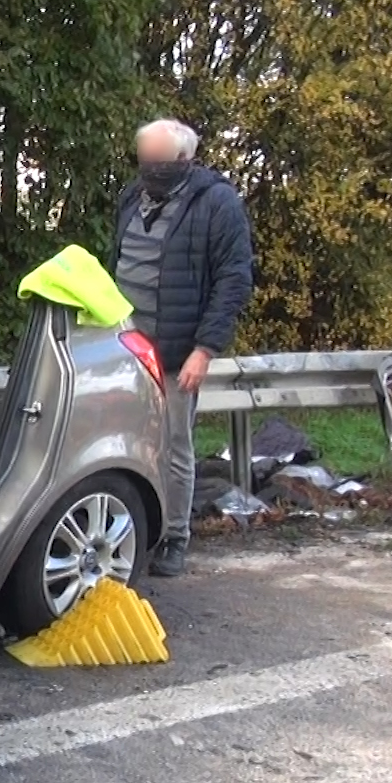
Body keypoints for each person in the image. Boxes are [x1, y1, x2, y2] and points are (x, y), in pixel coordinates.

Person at [109, 118, 254, 578]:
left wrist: (204, 349)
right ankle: (132, 528)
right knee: (118, 442)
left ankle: (174, 537)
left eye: (160, 162)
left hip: (177, 352)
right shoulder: (132, 197)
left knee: (173, 446)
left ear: (185, 161)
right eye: (144, 160)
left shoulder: (217, 203)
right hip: (125, 347)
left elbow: (234, 279)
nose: (151, 170)